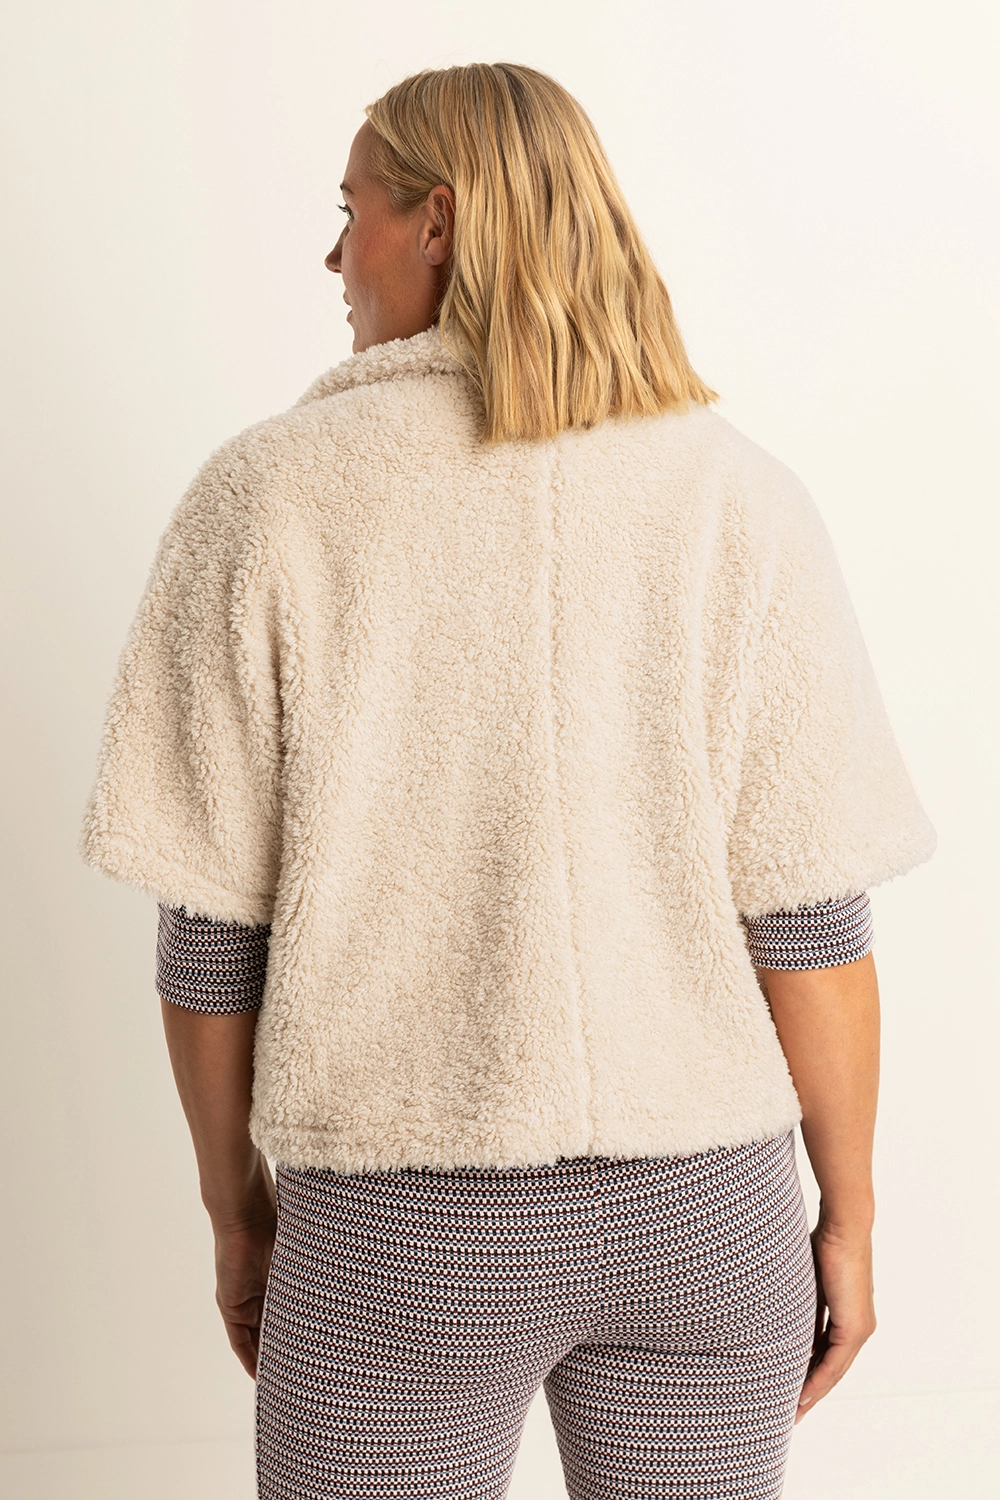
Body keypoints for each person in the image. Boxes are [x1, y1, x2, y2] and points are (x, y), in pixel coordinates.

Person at [81, 62, 934, 1500]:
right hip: (709, 1223)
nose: (334, 256)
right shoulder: (737, 496)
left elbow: (212, 943)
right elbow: (810, 922)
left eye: (349, 210)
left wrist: (239, 1216)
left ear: (436, 222)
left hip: (399, 1236)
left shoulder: (268, 498)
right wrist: (846, 1216)